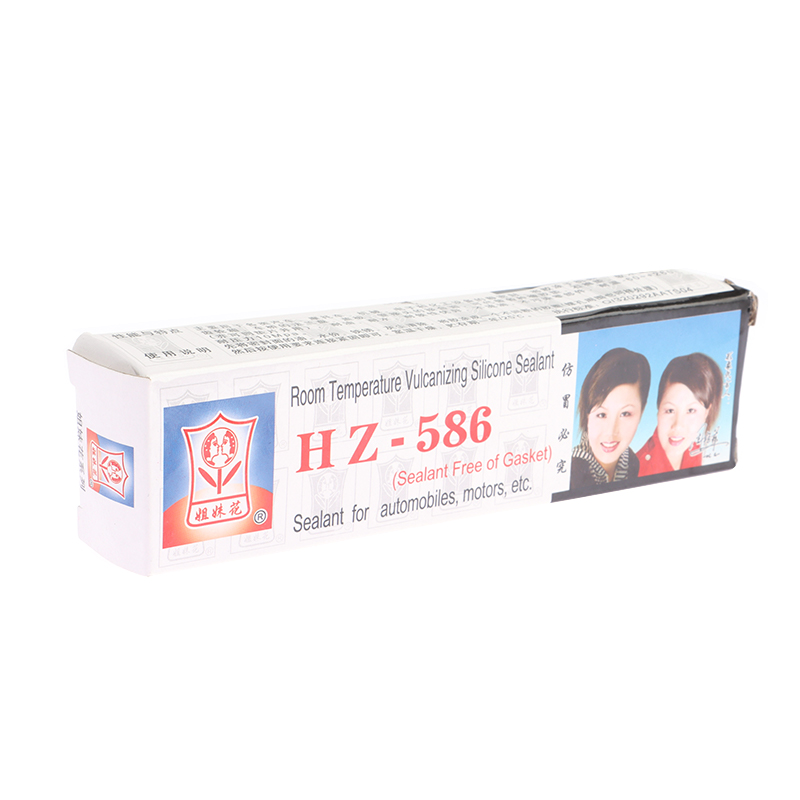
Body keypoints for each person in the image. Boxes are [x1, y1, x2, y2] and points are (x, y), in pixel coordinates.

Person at [571, 347, 650, 490]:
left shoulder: (633, 462)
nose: (611, 432)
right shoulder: (571, 472)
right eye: (602, 415)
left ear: (642, 412)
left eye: (625, 414)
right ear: (587, 414)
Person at [637, 352, 723, 476]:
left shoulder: (694, 451)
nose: (677, 425)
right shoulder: (638, 470)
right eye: (670, 410)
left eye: (690, 411)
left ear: (706, 412)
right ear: (658, 409)